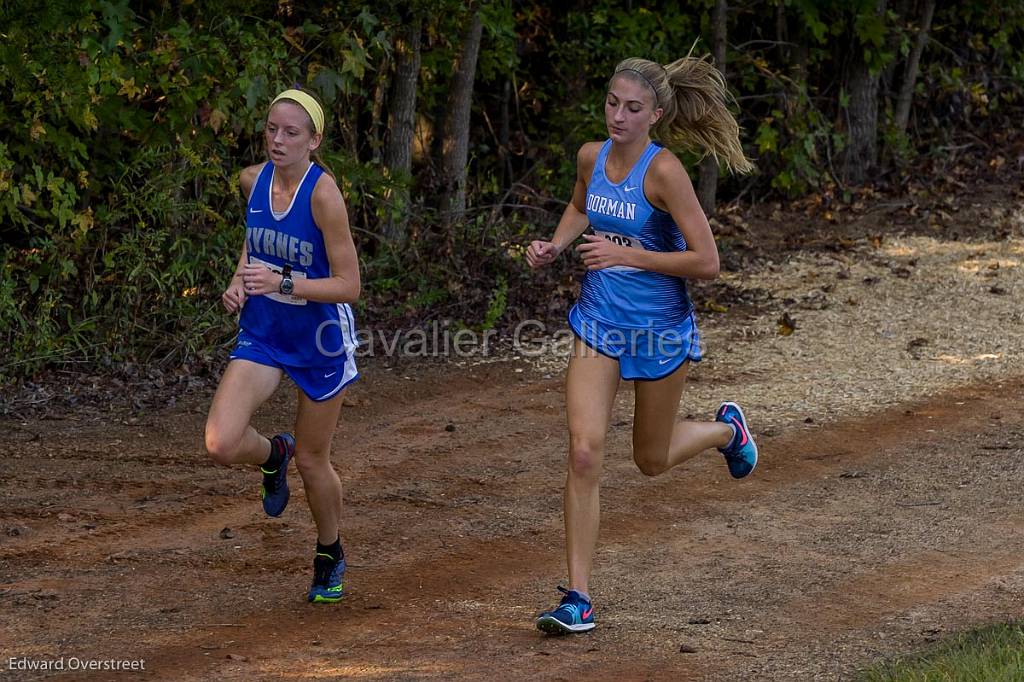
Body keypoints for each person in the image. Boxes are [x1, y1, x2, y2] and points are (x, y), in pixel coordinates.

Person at [525, 55, 759, 634]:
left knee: (650, 460)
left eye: (633, 109)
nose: (618, 117)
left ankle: (728, 431)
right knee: (583, 452)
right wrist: (555, 245)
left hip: (659, 330)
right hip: (598, 322)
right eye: (612, 103)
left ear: (655, 114)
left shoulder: (665, 173)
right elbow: (582, 206)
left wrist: (627, 253)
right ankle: (578, 597)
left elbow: (707, 262)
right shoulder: (591, 156)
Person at [204, 86, 360, 604]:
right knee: (221, 443)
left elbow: (349, 285)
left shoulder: (323, 195)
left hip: (320, 338)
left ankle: (329, 551)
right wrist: (238, 281)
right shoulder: (252, 181)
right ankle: (273, 455)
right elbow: (255, 240)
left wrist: (284, 284)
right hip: (266, 331)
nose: (277, 140)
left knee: (315, 462)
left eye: (291, 133)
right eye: (272, 129)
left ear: (314, 140)